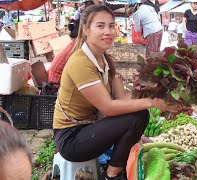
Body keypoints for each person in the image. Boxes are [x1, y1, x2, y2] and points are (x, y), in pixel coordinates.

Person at [53, 5, 177, 180]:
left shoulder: (104, 59)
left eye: (111, 26)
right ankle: (111, 175)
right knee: (136, 118)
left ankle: (113, 170)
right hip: (71, 138)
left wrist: (157, 93)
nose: (108, 31)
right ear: (86, 29)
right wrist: (152, 102)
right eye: (100, 26)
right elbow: (108, 107)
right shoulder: (80, 62)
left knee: (139, 115)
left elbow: (123, 97)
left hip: (88, 129)